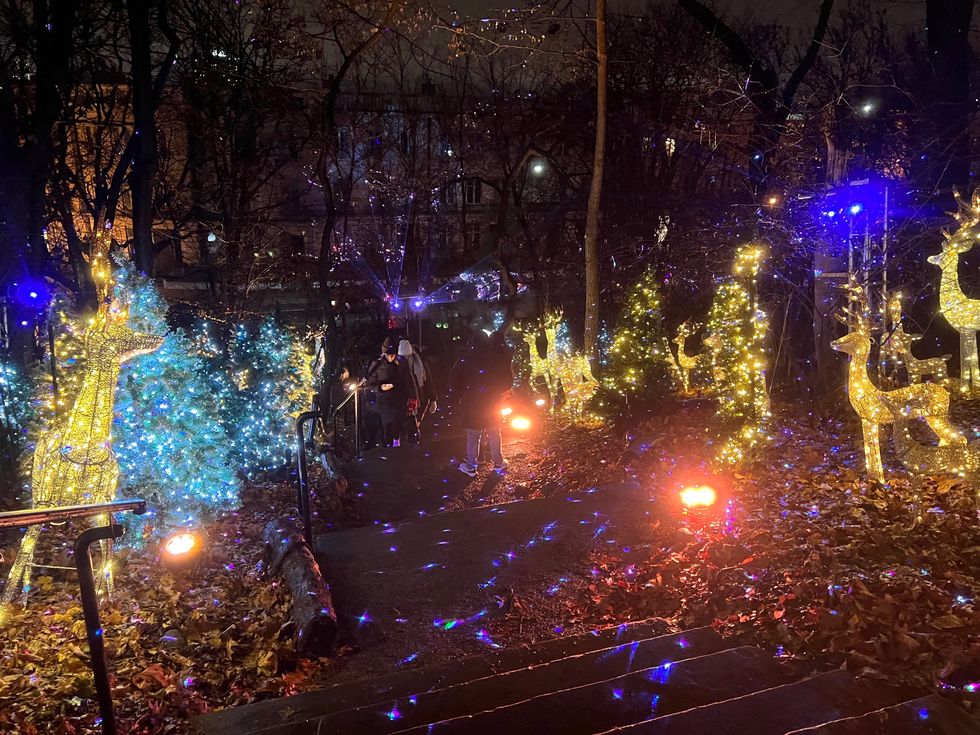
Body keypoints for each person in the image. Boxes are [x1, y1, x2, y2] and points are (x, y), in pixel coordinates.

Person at [455, 331, 513, 477]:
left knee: (473, 435)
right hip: (492, 402)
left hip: (472, 404)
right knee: (494, 433)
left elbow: (454, 381)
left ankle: (471, 466)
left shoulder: (465, 359)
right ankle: (498, 463)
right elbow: (505, 379)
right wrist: (498, 393)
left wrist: (460, 396)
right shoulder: (494, 358)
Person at [365, 337, 418, 447]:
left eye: (393, 355)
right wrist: (380, 388)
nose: (391, 357)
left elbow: (409, 380)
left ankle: (396, 441)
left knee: (397, 421)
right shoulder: (377, 365)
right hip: (384, 400)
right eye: (388, 355)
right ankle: (389, 444)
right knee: (387, 424)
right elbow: (369, 383)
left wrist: (413, 397)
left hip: (399, 398)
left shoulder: (401, 363)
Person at [398, 339, 437, 443]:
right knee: (409, 423)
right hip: (406, 399)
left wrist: (433, 399)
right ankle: (412, 440)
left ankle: (414, 439)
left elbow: (428, 380)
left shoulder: (419, 362)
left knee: (416, 421)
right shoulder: (398, 364)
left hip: (421, 396)